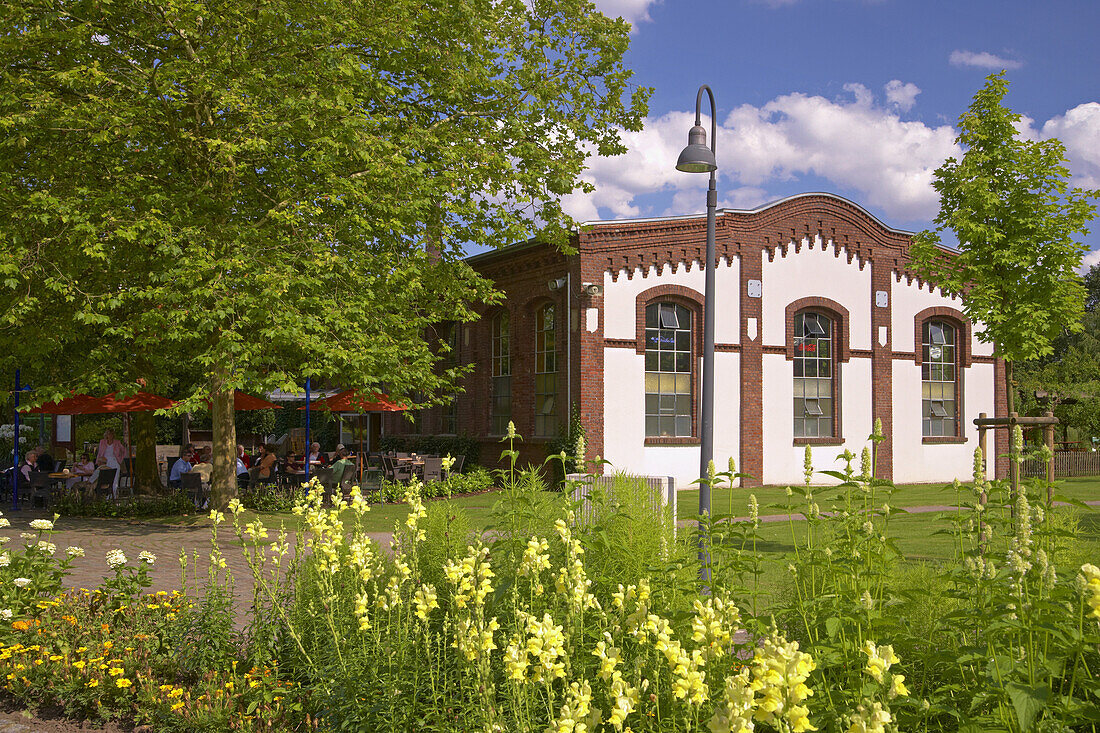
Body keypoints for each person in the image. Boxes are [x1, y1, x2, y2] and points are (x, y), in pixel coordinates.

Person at [96, 429, 127, 496]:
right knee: (104, 479)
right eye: (109, 434)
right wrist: (98, 461)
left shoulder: (117, 442)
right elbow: (100, 453)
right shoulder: (102, 442)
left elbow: (124, 451)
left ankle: (114, 495)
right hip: (105, 461)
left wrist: (120, 459)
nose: (110, 436)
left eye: (111, 434)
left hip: (114, 461)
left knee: (115, 479)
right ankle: (105, 495)